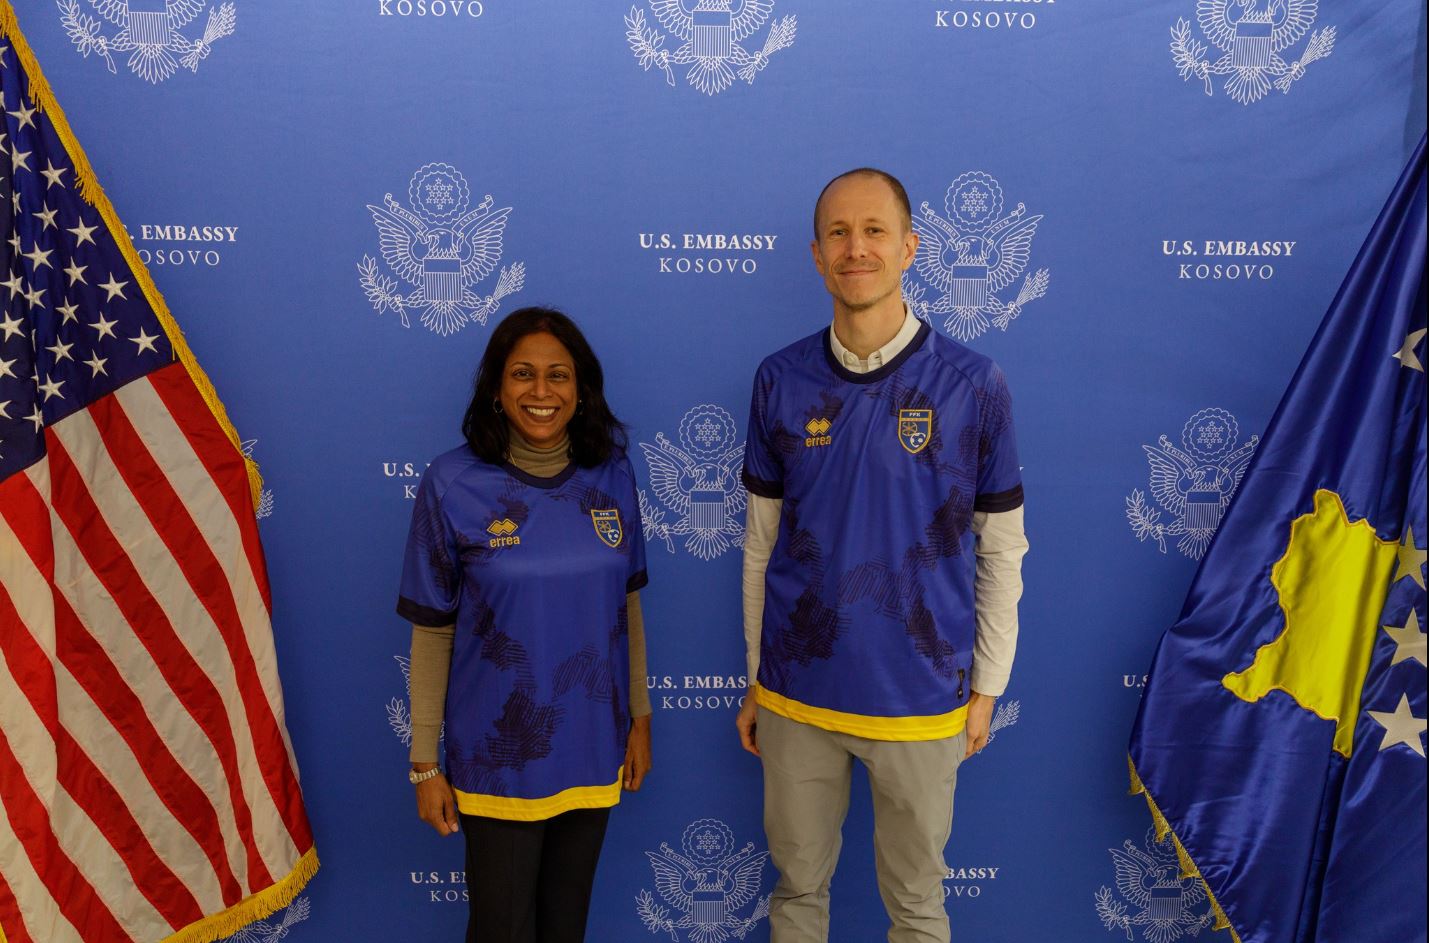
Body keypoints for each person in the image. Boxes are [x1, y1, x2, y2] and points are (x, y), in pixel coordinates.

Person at [734, 169, 1029, 943]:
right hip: (797, 693)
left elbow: (1002, 550)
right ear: (816, 254)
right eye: (837, 232)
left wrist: (987, 688)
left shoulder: (972, 384)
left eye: (873, 231)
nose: (855, 248)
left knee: (918, 906)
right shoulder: (778, 380)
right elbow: (760, 546)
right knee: (797, 893)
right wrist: (757, 677)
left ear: (909, 248)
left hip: (920, 695)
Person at [397, 306, 652, 943]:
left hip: (592, 746)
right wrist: (425, 764)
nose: (542, 391)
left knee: (566, 928)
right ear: (496, 388)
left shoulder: (613, 474)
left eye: (558, 375)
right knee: (502, 931)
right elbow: (433, 630)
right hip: (499, 757)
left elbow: (626, 608)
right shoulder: (453, 482)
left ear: (581, 389)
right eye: (523, 374)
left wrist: (640, 719)